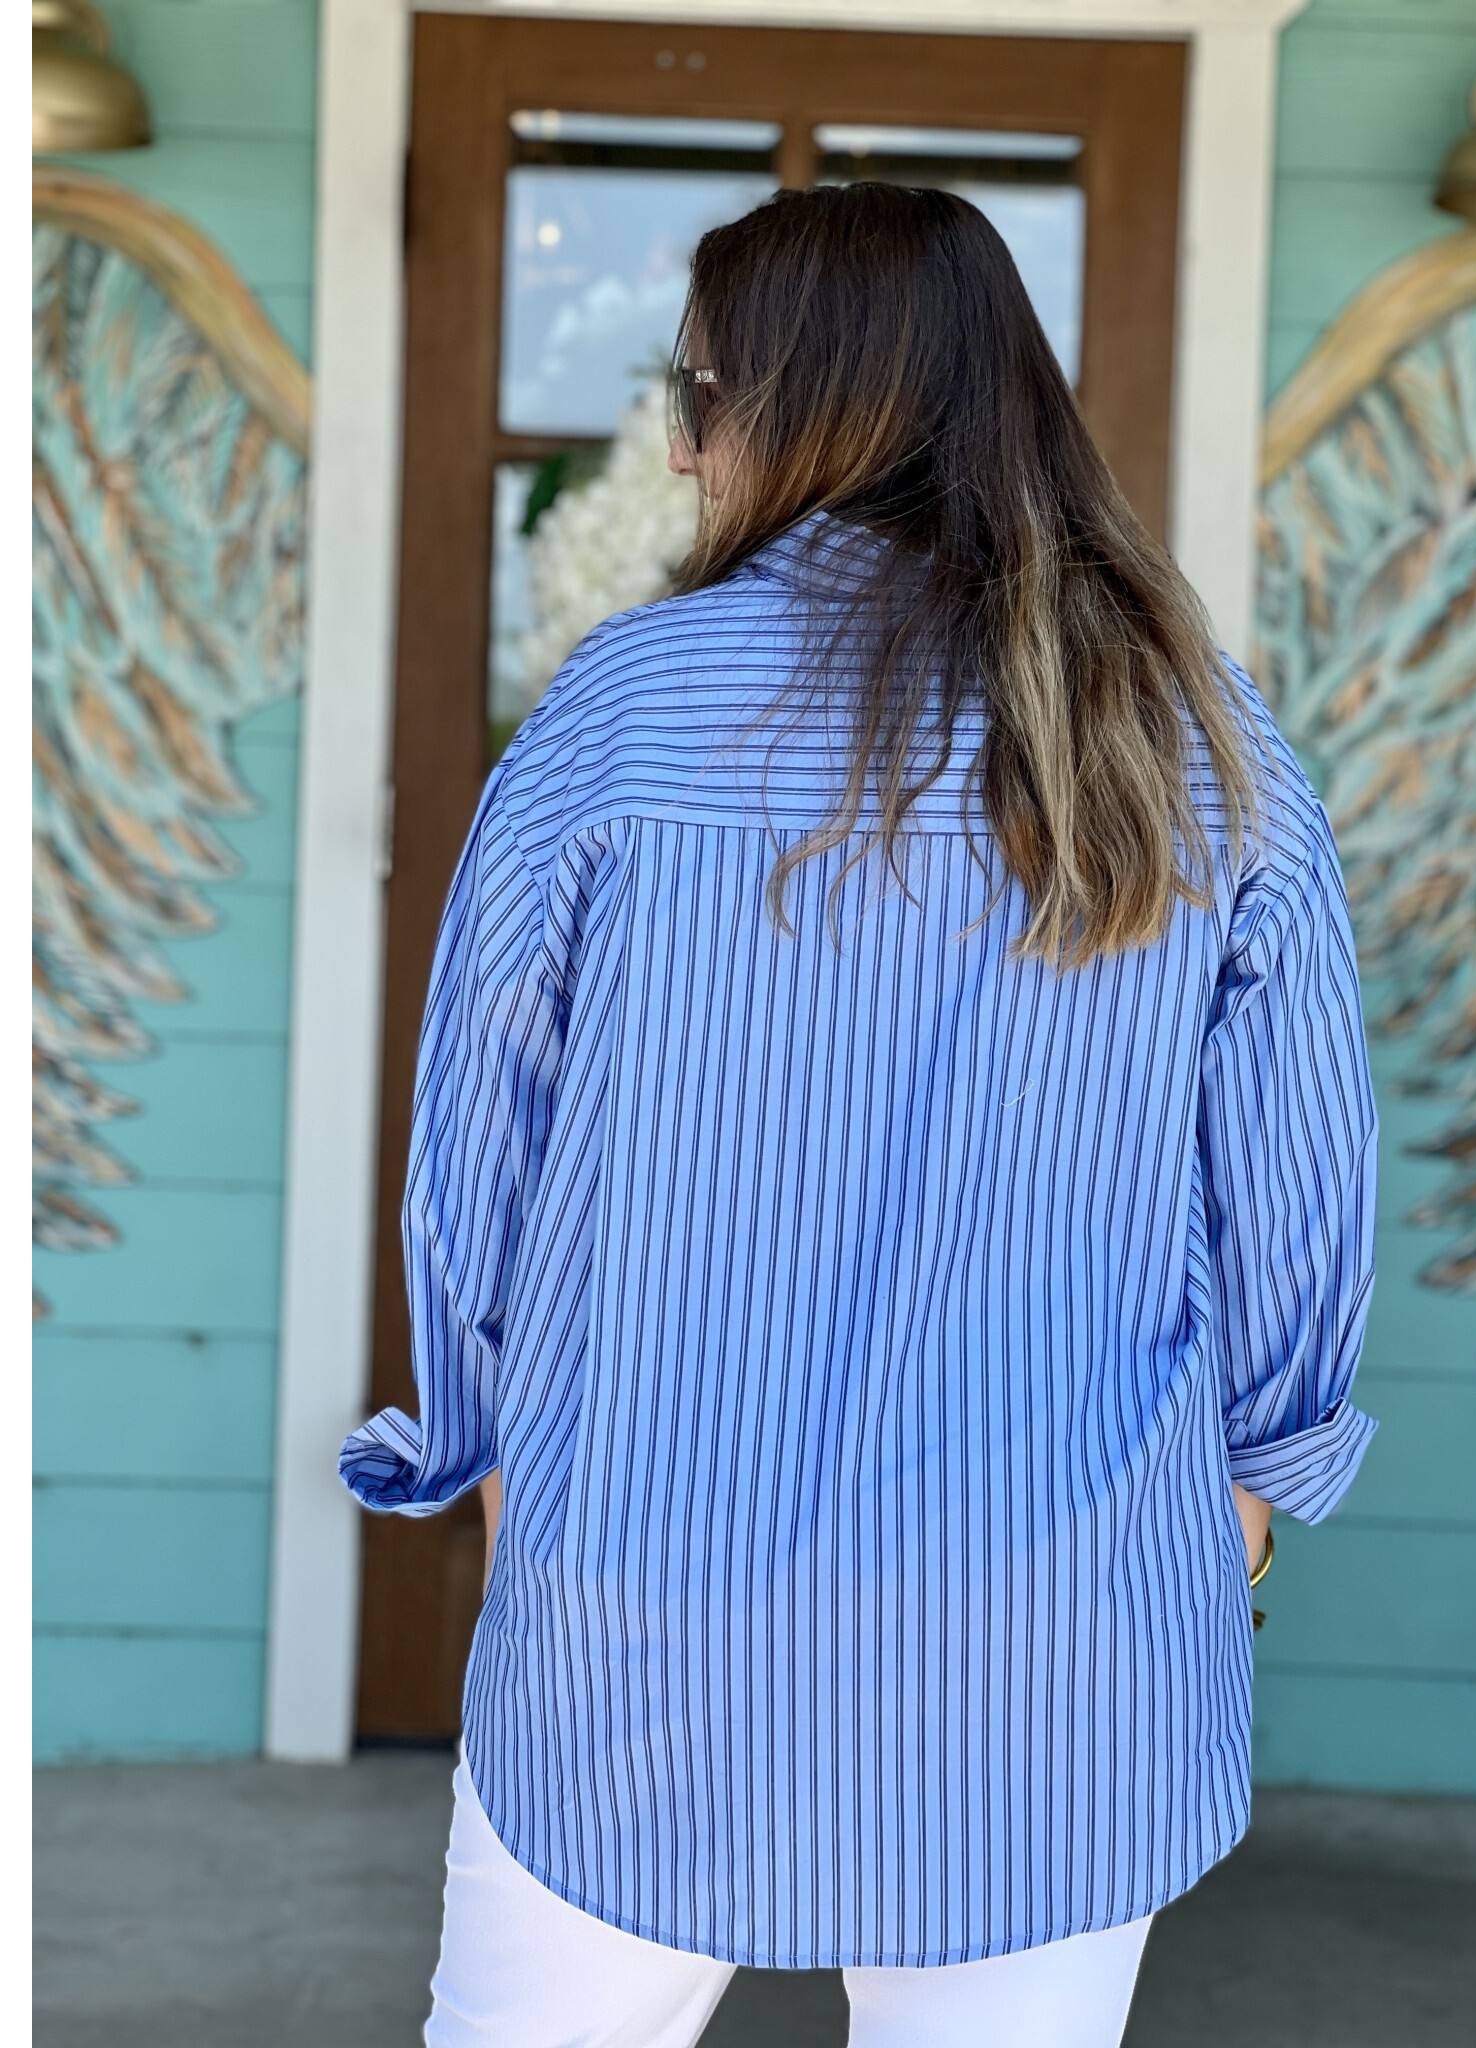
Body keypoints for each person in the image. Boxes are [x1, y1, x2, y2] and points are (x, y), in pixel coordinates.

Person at [340, 182, 1379, 2047]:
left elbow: (474, 1150)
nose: (677, 437)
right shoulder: (1194, 734)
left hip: (642, 1612)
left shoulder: (621, 714)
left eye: (699, 389)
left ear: (796, 406)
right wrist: (1250, 1502)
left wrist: (500, 1463)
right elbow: (1297, 1186)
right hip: (1058, 1638)